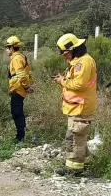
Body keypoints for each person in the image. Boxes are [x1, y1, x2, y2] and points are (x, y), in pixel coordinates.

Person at [53, 33, 97, 176]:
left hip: (81, 108)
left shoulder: (83, 63)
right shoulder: (79, 61)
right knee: (76, 137)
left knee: (74, 138)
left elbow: (79, 84)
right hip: (77, 107)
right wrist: (64, 79)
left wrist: (62, 81)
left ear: (73, 49)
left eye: (65, 53)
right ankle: (78, 162)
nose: (64, 56)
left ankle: (74, 169)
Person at [5, 36, 33, 142]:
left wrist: (26, 87)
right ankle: (21, 134)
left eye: (7, 47)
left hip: (18, 89)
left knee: (17, 112)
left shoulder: (16, 59)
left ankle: (20, 136)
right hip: (18, 88)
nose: (6, 50)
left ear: (12, 48)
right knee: (17, 111)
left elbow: (21, 75)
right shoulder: (20, 57)